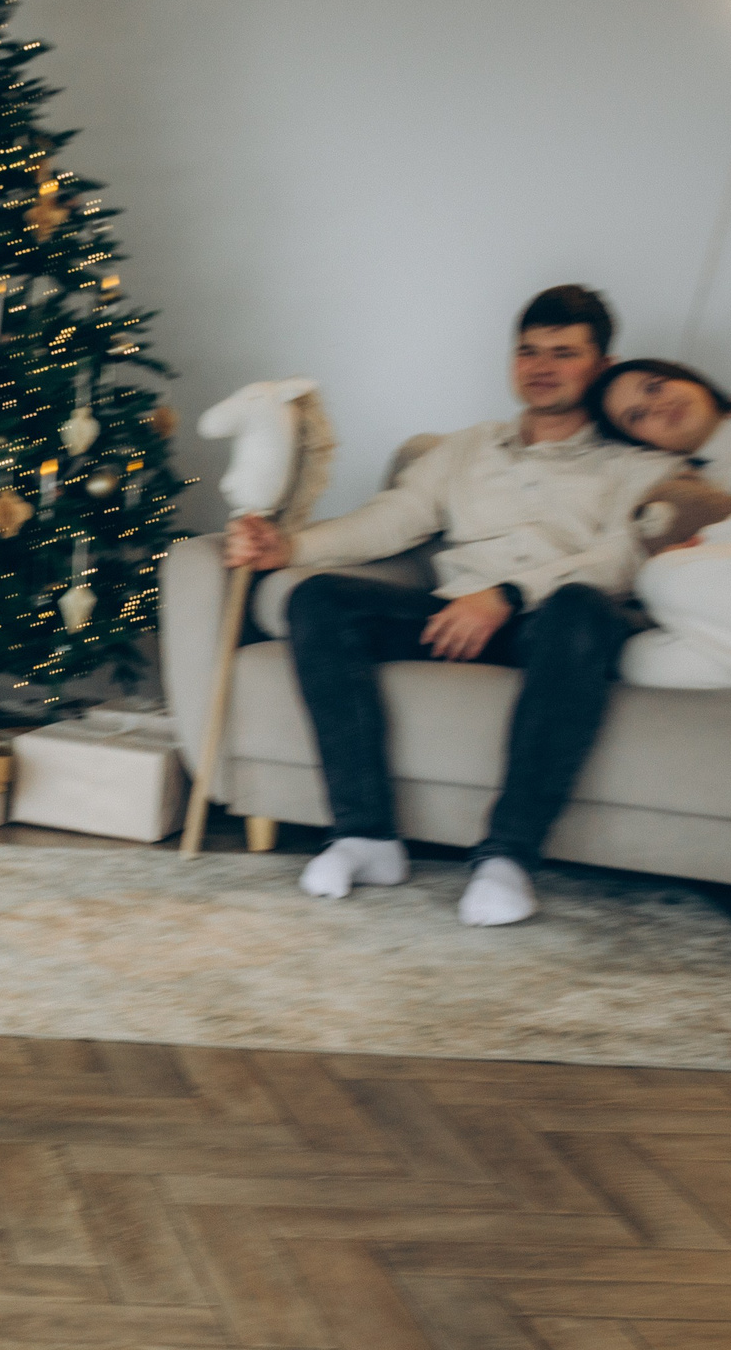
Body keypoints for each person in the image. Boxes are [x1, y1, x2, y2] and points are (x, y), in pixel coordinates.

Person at [225, 286, 678, 925]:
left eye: (563, 352)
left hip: (553, 624)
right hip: (450, 614)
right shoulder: (465, 449)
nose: (541, 366)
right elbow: (393, 520)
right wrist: (291, 545)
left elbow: (624, 558)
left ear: (602, 366)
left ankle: (507, 858)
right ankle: (366, 836)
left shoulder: (639, 465)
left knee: (581, 608)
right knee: (320, 598)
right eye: (528, 352)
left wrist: (507, 595)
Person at [592, 358, 731, 688]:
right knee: (643, 658)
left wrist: (716, 541)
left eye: (654, 386)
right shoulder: (686, 490)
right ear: (643, 444)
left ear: (684, 375)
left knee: (662, 576)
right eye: (637, 416)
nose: (659, 405)